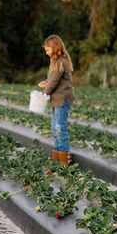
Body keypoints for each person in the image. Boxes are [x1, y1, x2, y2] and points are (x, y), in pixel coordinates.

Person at [38, 35, 74, 166]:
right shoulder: (54, 61)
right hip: (56, 100)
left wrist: (44, 93)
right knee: (55, 128)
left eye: (47, 50)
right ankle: (57, 157)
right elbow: (52, 80)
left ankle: (64, 159)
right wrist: (46, 82)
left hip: (62, 100)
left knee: (60, 128)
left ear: (55, 48)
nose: (46, 52)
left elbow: (54, 82)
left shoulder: (60, 62)